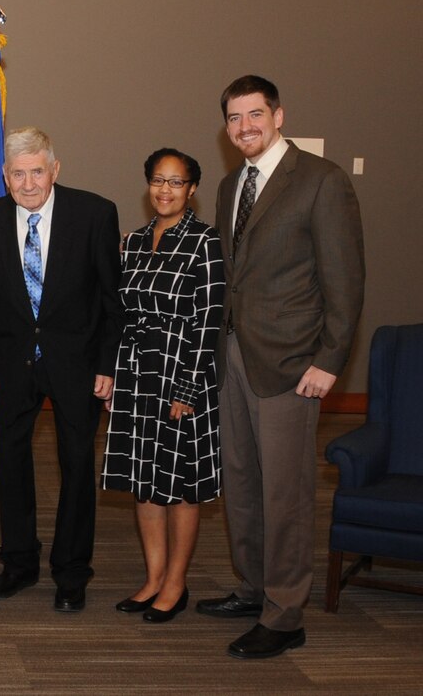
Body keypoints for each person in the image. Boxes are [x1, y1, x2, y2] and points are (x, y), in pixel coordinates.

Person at [196, 75, 364, 659]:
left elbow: (345, 281)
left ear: (278, 115)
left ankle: (286, 612)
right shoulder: (228, 185)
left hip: (294, 364)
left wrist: (329, 360)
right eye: (234, 118)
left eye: (255, 115)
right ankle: (254, 587)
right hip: (235, 355)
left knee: (286, 492)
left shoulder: (321, 181)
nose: (244, 127)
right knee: (240, 482)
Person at [0, 126, 123, 612]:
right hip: (11, 365)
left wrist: (107, 363)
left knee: (77, 466)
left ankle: (72, 571)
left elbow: (110, 300)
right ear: (6, 176)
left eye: (37, 171)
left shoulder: (95, 214)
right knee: (12, 465)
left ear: (55, 170)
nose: (29, 182)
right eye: (18, 173)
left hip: (77, 364)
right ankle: (18, 563)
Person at [101, 148, 225, 623]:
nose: (165, 190)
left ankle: (176, 583)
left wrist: (187, 390)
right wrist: (114, 376)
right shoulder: (131, 242)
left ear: (192, 189)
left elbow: (208, 320)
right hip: (136, 372)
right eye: (158, 180)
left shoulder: (205, 242)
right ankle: (152, 578)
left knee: (180, 484)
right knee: (144, 481)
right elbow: (117, 314)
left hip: (181, 374)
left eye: (176, 182)